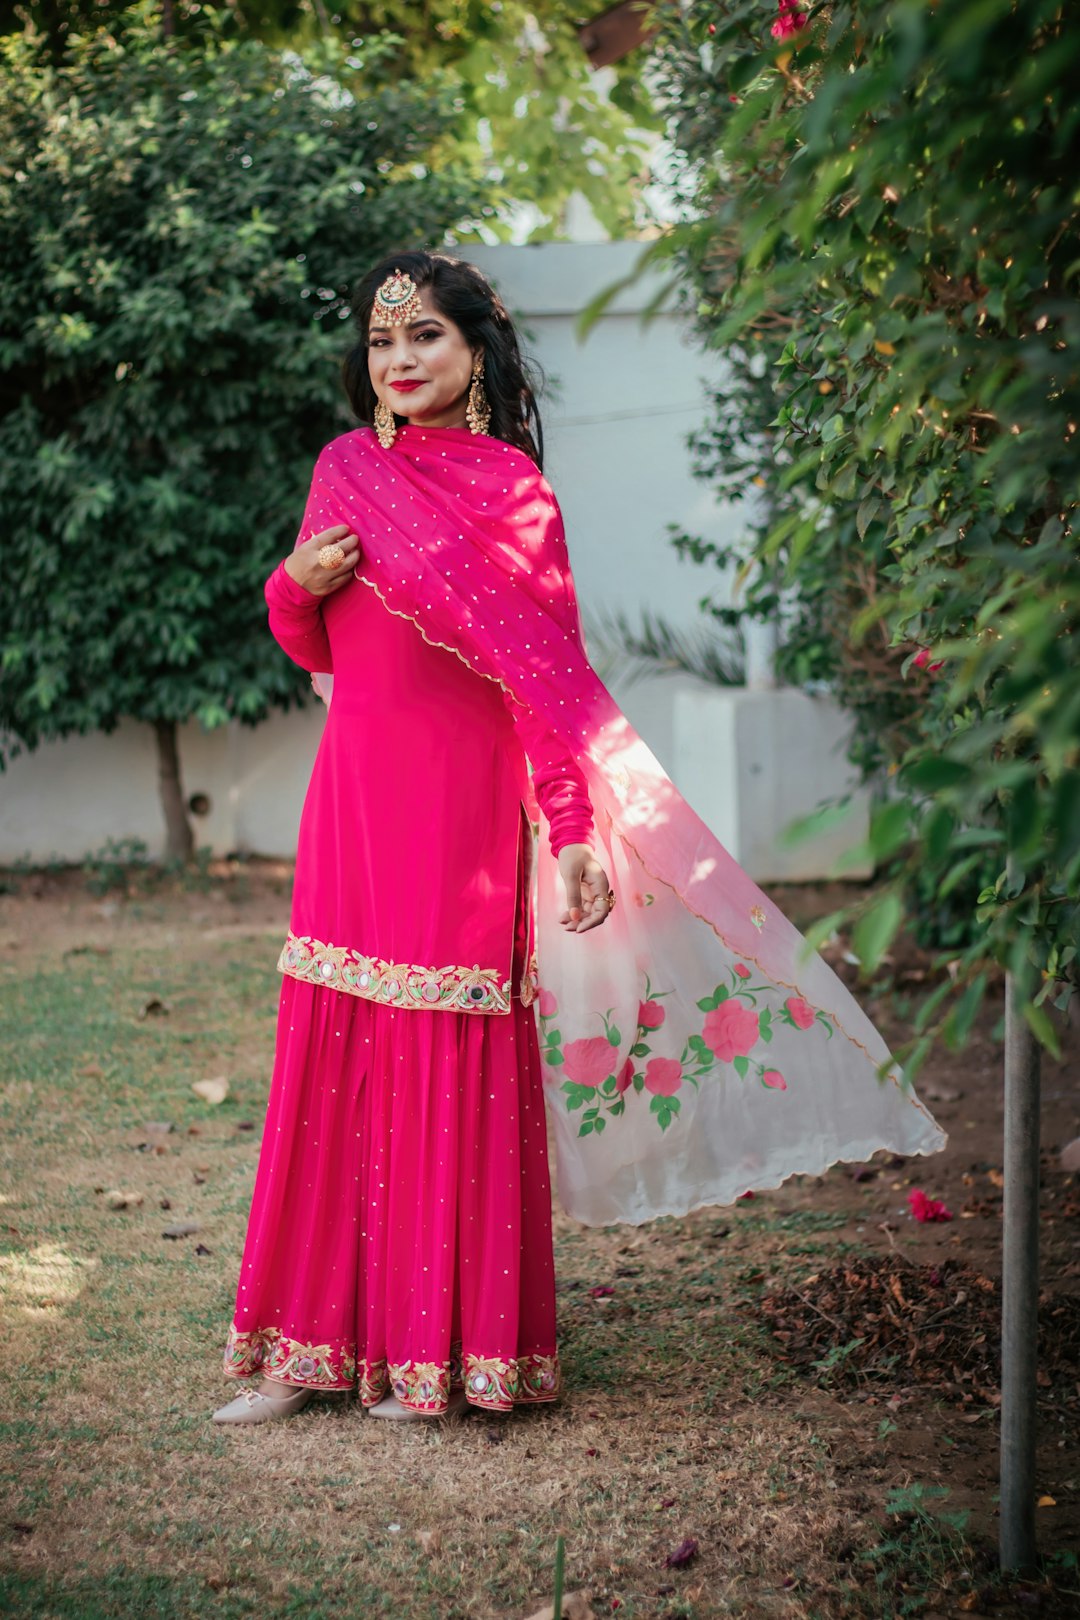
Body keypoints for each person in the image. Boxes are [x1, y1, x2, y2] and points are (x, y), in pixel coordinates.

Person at [213, 251, 945, 1426]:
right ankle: (303, 1354)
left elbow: (544, 689)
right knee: (338, 1059)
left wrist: (569, 832)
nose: (398, 362)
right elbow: (317, 649)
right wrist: (290, 584)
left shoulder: (515, 497)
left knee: (441, 1064)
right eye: (382, 344)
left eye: (426, 341)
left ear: (476, 354)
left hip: (459, 821)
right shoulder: (345, 469)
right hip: (350, 807)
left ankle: (438, 1355)